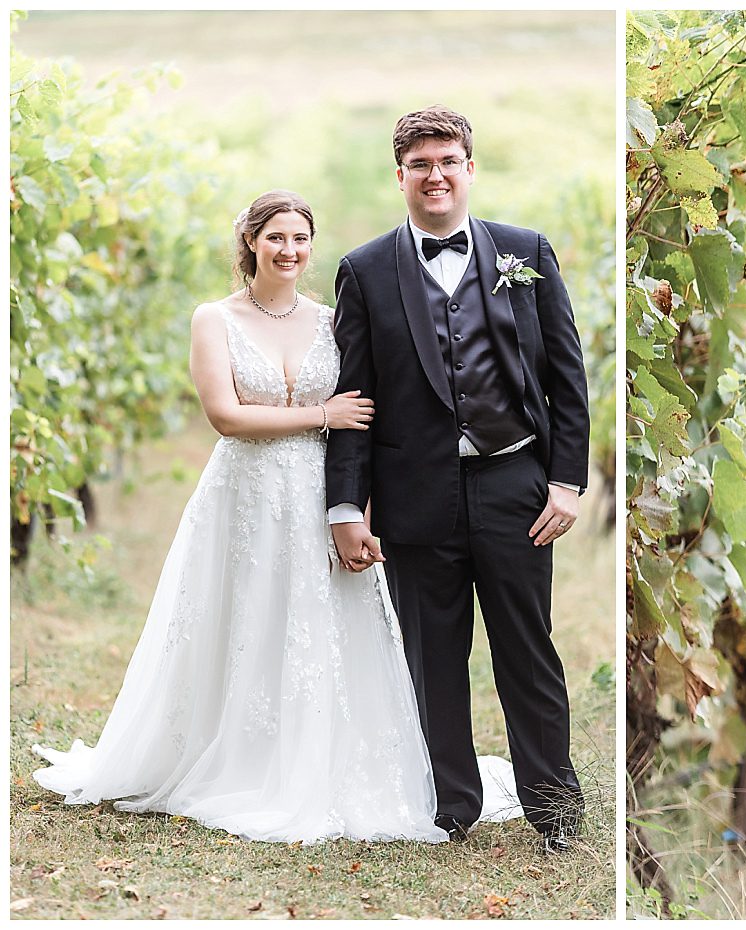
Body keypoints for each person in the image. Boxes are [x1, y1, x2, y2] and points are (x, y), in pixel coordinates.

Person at [31, 191, 493, 843]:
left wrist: (357, 506)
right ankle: (235, 756)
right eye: (275, 237)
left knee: (321, 623)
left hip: (317, 492)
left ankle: (329, 758)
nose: (289, 251)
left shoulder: (333, 321)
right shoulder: (213, 320)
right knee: (240, 616)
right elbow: (226, 416)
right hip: (243, 493)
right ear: (251, 241)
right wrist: (319, 416)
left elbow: (364, 421)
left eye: (301, 239)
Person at [326, 106, 590, 854]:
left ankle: (555, 811)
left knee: (527, 652)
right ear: (400, 175)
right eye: (420, 165)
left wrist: (565, 481)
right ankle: (450, 806)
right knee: (431, 657)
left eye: (448, 161)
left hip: (515, 488)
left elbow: (565, 378)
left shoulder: (525, 251)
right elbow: (355, 400)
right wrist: (347, 504)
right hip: (416, 498)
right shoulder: (365, 270)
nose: (435, 176)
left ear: (470, 169)